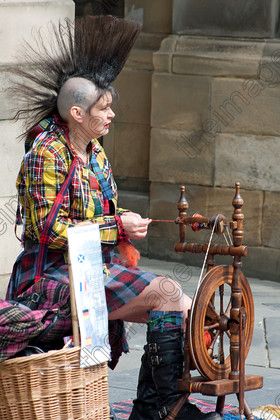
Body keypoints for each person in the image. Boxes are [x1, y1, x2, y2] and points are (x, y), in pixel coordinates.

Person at [6, 16, 222, 420]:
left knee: (184, 306)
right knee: (169, 294)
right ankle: (159, 410)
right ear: (76, 112)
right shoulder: (46, 154)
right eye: (103, 108)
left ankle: (154, 406)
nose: (112, 116)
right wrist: (116, 227)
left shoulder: (94, 151)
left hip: (93, 265)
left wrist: (124, 218)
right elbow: (47, 230)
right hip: (52, 275)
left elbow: (99, 211)